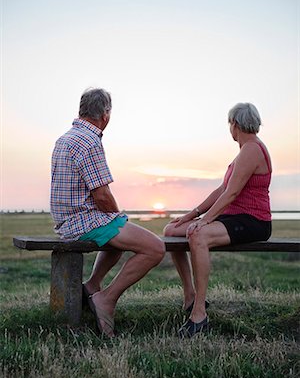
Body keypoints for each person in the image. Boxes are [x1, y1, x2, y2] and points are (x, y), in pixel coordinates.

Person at [51, 88, 165, 337]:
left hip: (66, 221)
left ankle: (92, 285)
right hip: (82, 222)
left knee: (121, 229)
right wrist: (116, 217)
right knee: (155, 248)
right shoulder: (90, 141)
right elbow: (102, 196)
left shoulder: (65, 138)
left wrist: (118, 221)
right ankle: (106, 300)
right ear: (106, 114)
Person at [163, 102, 272, 338]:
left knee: (197, 235)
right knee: (171, 229)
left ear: (235, 124)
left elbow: (231, 194)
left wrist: (204, 222)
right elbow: (223, 189)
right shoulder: (244, 152)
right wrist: (192, 215)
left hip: (253, 221)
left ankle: (199, 315)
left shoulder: (252, 149)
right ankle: (190, 297)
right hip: (233, 218)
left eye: (229, 124)